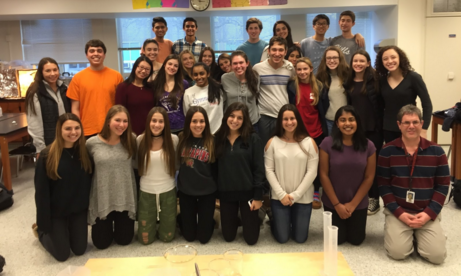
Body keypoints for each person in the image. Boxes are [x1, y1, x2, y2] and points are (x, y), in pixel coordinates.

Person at [377, 104, 449, 264]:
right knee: (398, 253)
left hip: (426, 211)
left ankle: (423, 233)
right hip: (399, 211)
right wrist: (399, 213)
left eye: (415, 122)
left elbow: (443, 186)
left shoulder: (437, 152)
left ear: (422, 123)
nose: (411, 126)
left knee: (437, 257)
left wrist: (429, 214)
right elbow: (383, 185)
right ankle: (403, 232)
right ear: (399, 125)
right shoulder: (387, 151)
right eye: (406, 122)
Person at [33, 113, 92, 261]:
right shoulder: (48, 156)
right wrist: (43, 222)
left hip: (77, 210)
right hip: (56, 212)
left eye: (77, 128)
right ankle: (40, 232)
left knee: (79, 250)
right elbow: (41, 193)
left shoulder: (85, 152)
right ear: (59, 130)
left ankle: (65, 231)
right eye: (68, 129)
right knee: (62, 255)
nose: (73, 132)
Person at [319, 105, 376, 245]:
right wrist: (337, 204)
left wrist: (353, 204)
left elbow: (369, 177)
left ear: (357, 122)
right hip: (333, 202)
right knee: (336, 240)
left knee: (356, 240)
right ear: (337, 124)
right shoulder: (327, 143)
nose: (347, 124)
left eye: (351, 119)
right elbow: (323, 174)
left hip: (358, 202)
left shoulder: (368, 146)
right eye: (343, 120)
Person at [265, 104, 319, 243]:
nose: (289, 122)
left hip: (303, 197)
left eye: (292, 118)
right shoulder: (272, 142)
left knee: (300, 238)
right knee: (282, 238)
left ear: (298, 120)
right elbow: (269, 170)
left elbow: (312, 172)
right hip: (279, 197)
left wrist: (295, 195)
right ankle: (273, 217)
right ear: (280, 122)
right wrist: (282, 195)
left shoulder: (309, 142)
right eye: (285, 119)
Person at [86, 105, 137, 250]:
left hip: (125, 198)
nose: (121, 125)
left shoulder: (131, 140)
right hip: (103, 198)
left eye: (125, 121)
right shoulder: (91, 143)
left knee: (125, 240)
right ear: (108, 121)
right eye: (117, 120)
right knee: (101, 244)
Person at [215, 102, 265, 245]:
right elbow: (214, 169)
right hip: (226, 193)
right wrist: (216, 195)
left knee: (251, 240)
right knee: (228, 237)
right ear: (226, 117)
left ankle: (259, 216)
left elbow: (259, 169)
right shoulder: (217, 138)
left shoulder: (253, 139)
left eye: (239, 118)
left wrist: (258, 197)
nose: (235, 121)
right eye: (232, 116)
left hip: (248, 194)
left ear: (245, 121)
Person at [344, 49, 383, 215]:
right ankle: (361, 196)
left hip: (373, 129)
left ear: (368, 63)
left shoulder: (376, 81)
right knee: (357, 165)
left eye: (362, 61)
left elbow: (381, 105)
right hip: (355, 130)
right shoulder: (349, 82)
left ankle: (374, 199)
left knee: (372, 166)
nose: (358, 64)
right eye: (355, 61)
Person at [287, 57, 325, 209]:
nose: (302, 72)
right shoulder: (291, 86)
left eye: (305, 69)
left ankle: (316, 191)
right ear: (295, 71)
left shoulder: (319, 86)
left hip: (316, 131)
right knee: (298, 162)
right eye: (299, 69)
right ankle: (298, 189)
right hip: (297, 132)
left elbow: (322, 109)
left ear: (311, 69)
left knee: (314, 163)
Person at [136, 107, 178, 245]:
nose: (157, 125)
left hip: (168, 190)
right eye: (154, 120)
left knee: (168, 238)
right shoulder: (140, 140)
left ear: (165, 123)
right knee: (145, 240)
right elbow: (136, 165)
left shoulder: (173, 140)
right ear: (148, 122)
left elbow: (177, 164)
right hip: (146, 191)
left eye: (161, 121)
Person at [375, 45, 433, 143]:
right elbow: (380, 107)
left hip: (410, 127)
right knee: (394, 157)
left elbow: (427, 104)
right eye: (385, 59)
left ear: (400, 58)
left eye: (393, 57)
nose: (389, 61)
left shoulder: (413, 78)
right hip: (388, 129)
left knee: (411, 157)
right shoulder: (382, 80)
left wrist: (424, 128)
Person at [67, 39, 124, 138]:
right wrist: (76, 128)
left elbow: (120, 106)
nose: (96, 54)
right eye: (92, 51)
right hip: (87, 130)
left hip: (111, 129)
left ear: (104, 55)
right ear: (86, 55)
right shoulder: (78, 78)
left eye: (99, 51)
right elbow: (75, 108)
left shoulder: (116, 76)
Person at [177, 106, 217, 244]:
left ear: (206, 123)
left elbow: (216, 169)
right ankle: (181, 218)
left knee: (203, 238)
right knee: (189, 236)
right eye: (194, 121)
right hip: (186, 191)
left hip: (207, 191)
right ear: (188, 122)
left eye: (201, 121)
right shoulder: (181, 138)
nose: (198, 125)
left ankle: (208, 220)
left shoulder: (212, 141)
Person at [26, 57, 71, 156]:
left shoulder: (64, 88)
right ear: (41, 72)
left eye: (55, 70)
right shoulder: (35, 92)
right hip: (48, 140)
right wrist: (40, 148)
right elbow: (34, 122)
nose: (52, 74)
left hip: (66, 137)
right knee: (50, 169)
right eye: (48, 71)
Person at [253, 36, 294, 145]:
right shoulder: (257, 68)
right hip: (264, 116)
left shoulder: (290, 68)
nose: (277, 53)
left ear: (285, 52)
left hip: (283, 115)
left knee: (283, 146)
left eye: (281, 50)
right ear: (269, 51)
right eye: (274, 49)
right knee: (265, 147)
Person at [115, 56, 155, 135]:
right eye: (141, 67)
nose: (143, 71)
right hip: (129, 131)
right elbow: (119, 111)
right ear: (135, 67)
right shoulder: (123, 87)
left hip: (149, 131)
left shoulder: (151, 87)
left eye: (147, 69)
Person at [221, 50, 260, 130]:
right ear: (231, 65)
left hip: (251, 122)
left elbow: (257, 98)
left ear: (247, 63)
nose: (238, 66)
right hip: (232, 122)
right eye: (235, 63)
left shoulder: (255, 77)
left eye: (241, 62)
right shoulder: (225, 78)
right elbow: (224, 100)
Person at [150, 54, 189, 134]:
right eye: (170, 64)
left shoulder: (184, 84)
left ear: (178, 68)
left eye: (175, 66)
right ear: (164, 65)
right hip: (162, 127)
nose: (172, 67)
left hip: (181, 127)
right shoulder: (155, 84)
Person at [183, 63, 224, 134]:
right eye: (195, 74)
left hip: (218, 132)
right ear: (192, 76)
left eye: (202, 73)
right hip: (199, 132)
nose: (199, 77)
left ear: (208, 74)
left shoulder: (218, 89)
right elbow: (187, 114)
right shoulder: (188, 92)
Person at [317, 46, 349, 135]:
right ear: (325, 60)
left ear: (340, 59)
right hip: (329, 121)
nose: (331, 61)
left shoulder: (348, 74)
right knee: (331, 147)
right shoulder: (320, 78)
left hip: (346, 120)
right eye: (329, 58)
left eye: (335, 57)